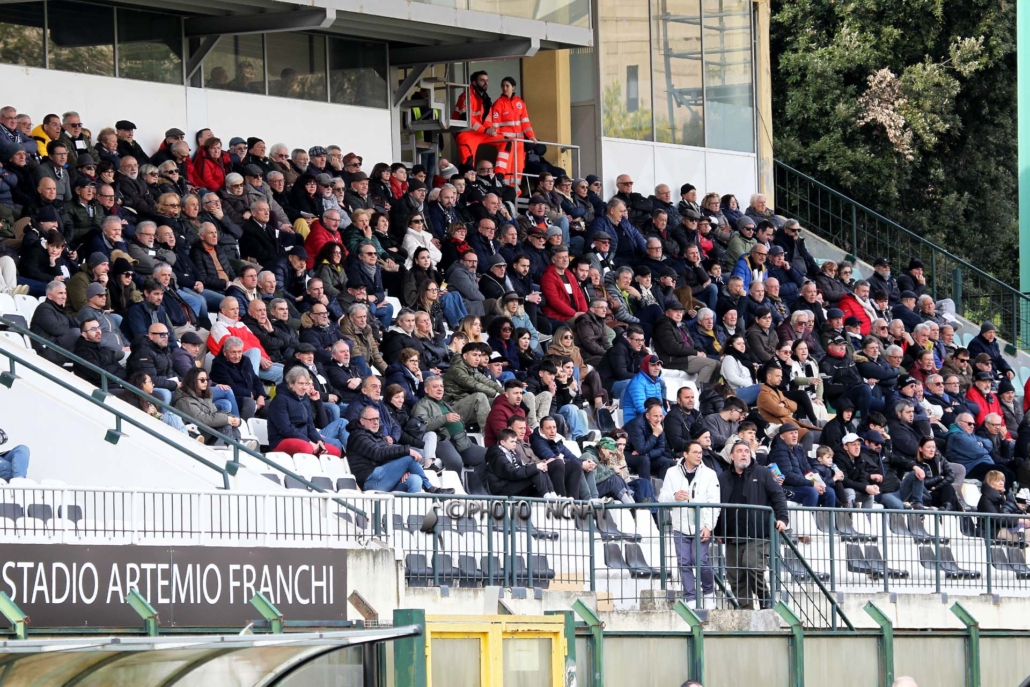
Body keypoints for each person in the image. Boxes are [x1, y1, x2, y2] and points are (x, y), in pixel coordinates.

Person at [717, 440, 789, 610]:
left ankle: (764, 598)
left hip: (758, 533)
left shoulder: (763, 473)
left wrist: (783, 518)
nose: (743, 454)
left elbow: (778, 496)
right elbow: (717, 505)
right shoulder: (722, 477)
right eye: (739, 451)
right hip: (732, 535)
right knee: (735, 575)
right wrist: (718, 530)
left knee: (752, 564)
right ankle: (746, 610)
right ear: (731, 456)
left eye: (746, 451)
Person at [660, 440, 721, 606]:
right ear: (685, 454)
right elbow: (662, 498)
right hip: (680, 526)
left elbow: (714, 503)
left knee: (700, 560)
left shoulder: (710, 474)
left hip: (701, 526)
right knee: (684, 563)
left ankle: (709, 592)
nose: (699, 455)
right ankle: (690, 598)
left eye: (700, 452)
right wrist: (674, 496)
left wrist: (709, 526)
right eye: (695, 452)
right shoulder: (671, 472)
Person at [412, 375, 488, 492]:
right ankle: (457, 492)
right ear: (426, 390)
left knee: (488, 455)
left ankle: (479, 489)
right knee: (455, 461)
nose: (440, 389)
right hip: (441, 441)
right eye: (435, 386)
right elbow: (422, 427)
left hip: (461, 441)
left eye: (441, 386)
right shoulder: (421, 405)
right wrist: (444, 418)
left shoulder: (443, 403)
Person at [266, 366, 344, 457]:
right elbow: (285, 429)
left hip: (304, 439)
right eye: (301, 384)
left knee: (335, 451)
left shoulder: (305, 399)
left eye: (306, 384)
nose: (304, 387)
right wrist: (309, 442)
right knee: (307, 448)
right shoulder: (280, 400)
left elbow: (310, 425)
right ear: (291, 384)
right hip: (281, 440)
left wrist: (319, 440)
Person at [768, 423, 836, 507]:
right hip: (787, 487)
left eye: (796, 433)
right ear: (782, 436)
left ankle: (827, 516)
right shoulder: (779, 450)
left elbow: (808, 470)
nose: (795, 436)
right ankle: (808, 516)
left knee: (829, 492)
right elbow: (787, 476)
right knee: (811, 492)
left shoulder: (799, 449)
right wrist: (812, 484)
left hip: (801, 484)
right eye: (791, 433)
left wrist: (818, 484)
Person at [486, 428, 557, 498]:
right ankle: (547, 497)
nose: (514, 444)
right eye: (512, 442)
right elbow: (511, 472)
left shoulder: (512, 452)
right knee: (535, 471)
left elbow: (520, 468)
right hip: (501, 488)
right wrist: (535, 467)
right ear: (502, 442)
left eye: (515, 442)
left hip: (510, 482)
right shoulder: (497, 455)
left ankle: (552, 494)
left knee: (541, 469)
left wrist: (538, 466)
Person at [209, 336, 266, 420]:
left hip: (251, 395)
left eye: (239, 352)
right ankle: (243, 427)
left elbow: (255, 379)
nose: (237, 356)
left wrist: (261, 395)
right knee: (249, 403)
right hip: (234, 397)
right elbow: (231, 387)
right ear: (224, 352)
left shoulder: (245, 360)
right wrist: (249, 394)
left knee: (270, 404)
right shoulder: (218, 365)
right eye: (233, 352)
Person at [29, 280, 81, 364]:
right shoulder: (43, 308)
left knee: (88, 334)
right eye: (60, 293)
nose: (64, 297)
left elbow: (79, 325)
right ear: (50, 296)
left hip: (57, 348)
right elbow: (58, 329)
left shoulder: (60, 310)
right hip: (47, 350)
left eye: (65, 293)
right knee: (76, 332)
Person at [625, 398, 674, 481]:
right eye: (655, 416)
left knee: (665, 461)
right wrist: (655, 434)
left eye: (660, 416)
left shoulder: (659, 422)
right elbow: (642, 449)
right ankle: (646, 487)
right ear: (647, 415)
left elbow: (661, 449)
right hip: (628, 453)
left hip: (645, 453)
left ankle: (661, 487)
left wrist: (647, 454)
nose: (658, 419)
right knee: (644, 460)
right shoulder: (637, 424)